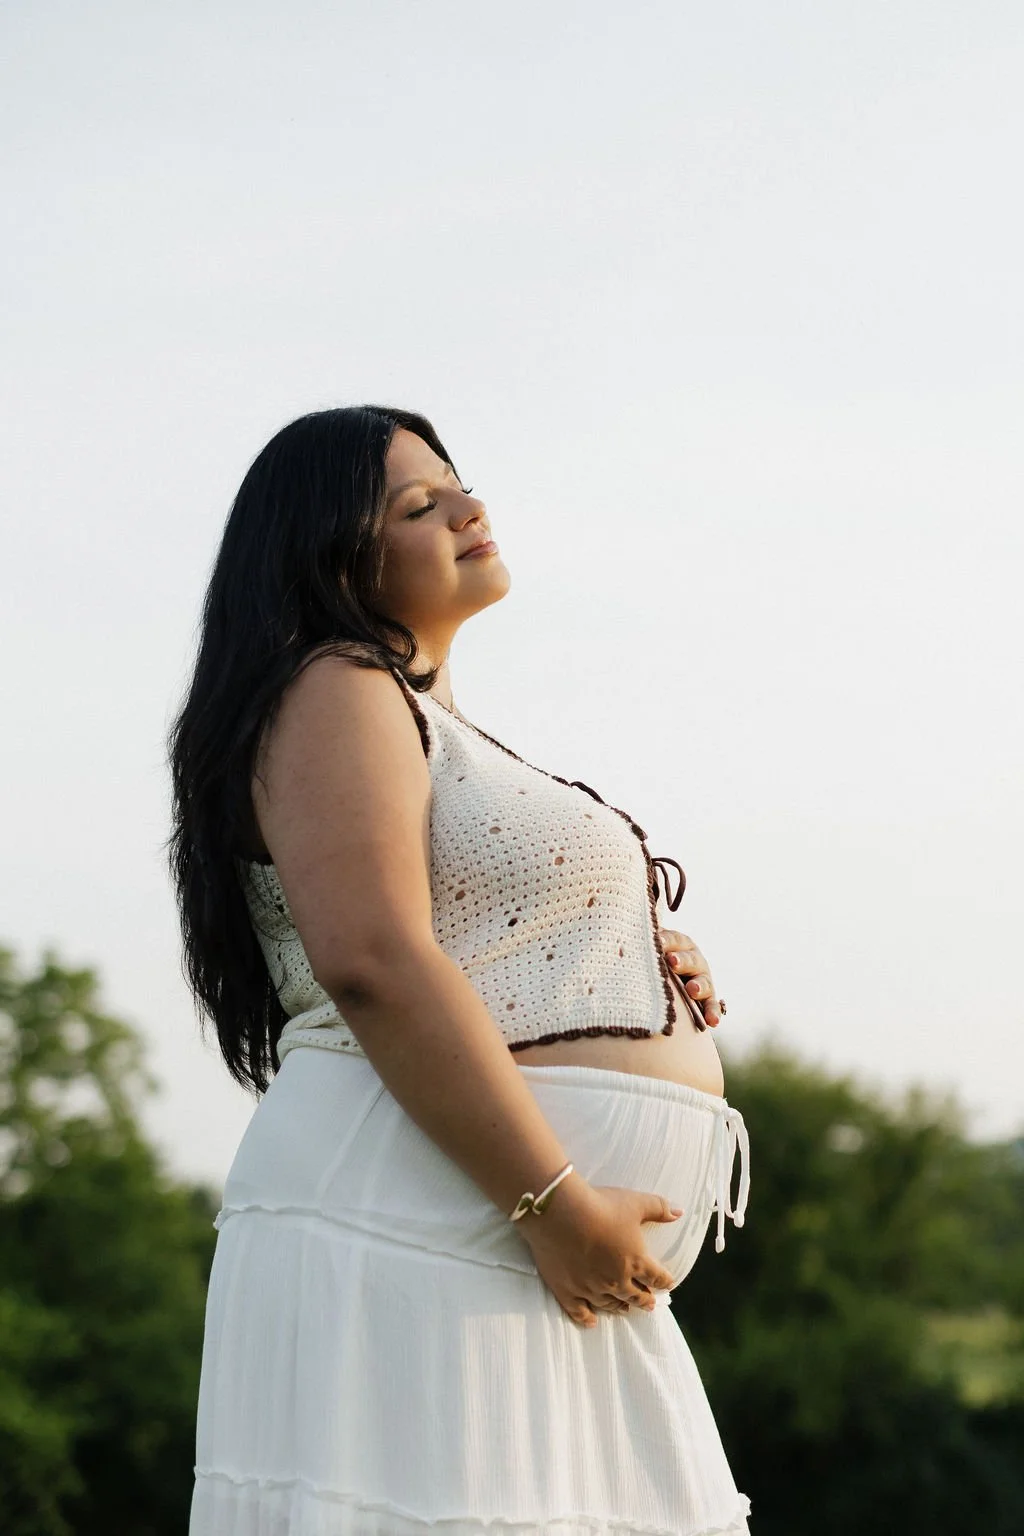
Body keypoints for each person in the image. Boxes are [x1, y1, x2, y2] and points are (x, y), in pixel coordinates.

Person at [168, 404, 752, 1535]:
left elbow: (450, 928)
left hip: (500, 1233)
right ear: (332, 552)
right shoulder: (335, 682)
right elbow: (373, 958)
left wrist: (615, 941)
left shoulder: (424, 721)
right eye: (418, 506)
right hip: (446, 1210)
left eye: (459, 488)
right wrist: (553, 1204)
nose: (470, 512)